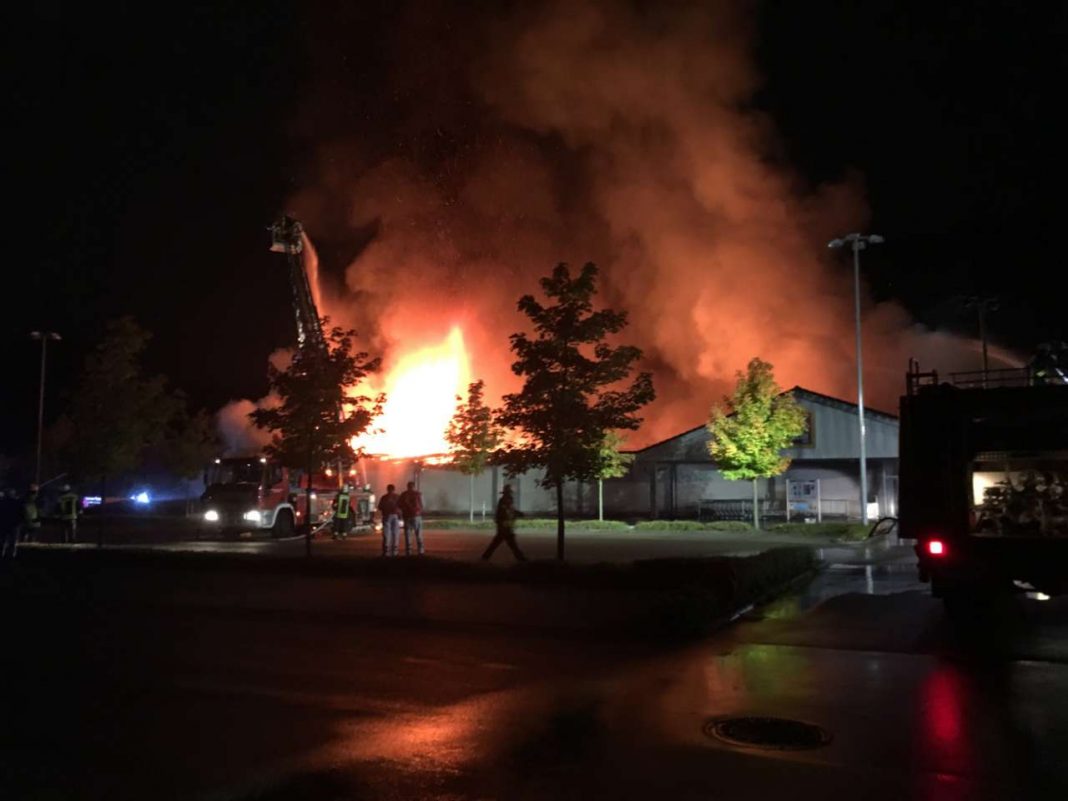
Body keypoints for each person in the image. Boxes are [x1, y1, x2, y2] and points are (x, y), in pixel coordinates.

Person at [482, 485, 527, 561]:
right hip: (504, 527)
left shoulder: (506, 501)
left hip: (505, 526)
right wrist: (517, 514)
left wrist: (519, 514)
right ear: (507, 493)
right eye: (509, 493)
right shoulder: (504, 501)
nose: (511, 495)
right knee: (511, 544)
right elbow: (505, 512)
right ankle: (521, 558)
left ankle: (485, 557)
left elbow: (511, 511)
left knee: (499, 543)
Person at [399, 481, 424, 556]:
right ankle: (421, 551)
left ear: (407, 486)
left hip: (407, 516)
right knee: (418, 534)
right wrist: (419, 511)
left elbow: (399, 505)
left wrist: (404, 510)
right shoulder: (418, 494)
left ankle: (408, 552)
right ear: (414, 486)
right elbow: (422, 505)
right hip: (416, 516)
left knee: (408, 535)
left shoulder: (403, 494)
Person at [377, 483, 401, 556]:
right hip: (395, 516)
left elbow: (380, 507)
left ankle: (386, 551)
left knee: (387, 533)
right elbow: (401, 506)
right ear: (394, 489)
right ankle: (395, 551)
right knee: (395, 533)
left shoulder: (384, 497)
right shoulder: (397, 497)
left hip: (387, 516)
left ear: (387, 489)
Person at [1, 488, 21, 559]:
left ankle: (3, 555)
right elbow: (20, 513)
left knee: (3, 541)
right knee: (13, 542)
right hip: (13, 525)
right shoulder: (17, 502)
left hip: (4, 524)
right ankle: (12, 556)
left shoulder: (2, 502)